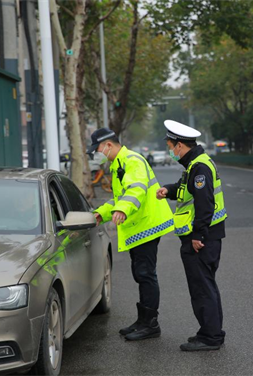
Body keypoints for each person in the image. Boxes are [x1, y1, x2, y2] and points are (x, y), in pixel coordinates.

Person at [89, 128, 174, 341]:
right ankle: (143, 321)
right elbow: (120, 197)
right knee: (141, 274)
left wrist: (122, 210)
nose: (96, 154)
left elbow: (136, 190)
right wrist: (102, 213)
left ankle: (151, 324)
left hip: (147, 225)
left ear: (108, 145)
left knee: (146, 274)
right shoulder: (118, 163)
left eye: (98, 149)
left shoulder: (132, 161)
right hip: (139, 226)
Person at [156, 120, 227, 352]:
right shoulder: (195, 165)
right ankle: (212, 332)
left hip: (201, 239)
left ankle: (210, 337)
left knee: (201, 288)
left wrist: (198, 235)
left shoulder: (199, 167)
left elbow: (205, 203)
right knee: (206, 286)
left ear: (179, 146)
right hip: (206, 236)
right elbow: (186, 189)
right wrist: (169, 189)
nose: (169, 149)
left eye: (170, 145)